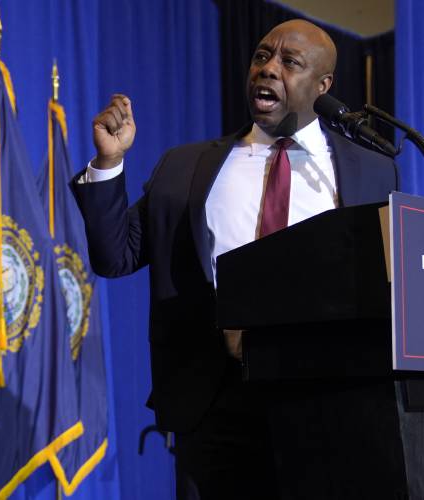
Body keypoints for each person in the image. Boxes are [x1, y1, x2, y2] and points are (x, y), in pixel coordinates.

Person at [72, 19, 398, 500]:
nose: (267, 69)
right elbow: (115, 254)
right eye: (262, 56)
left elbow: (380, 284)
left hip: (327, 402)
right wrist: (107, 163)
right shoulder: (187, 167)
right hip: (214, 401)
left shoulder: (371, 168)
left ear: (323, 85)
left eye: (289, 62)